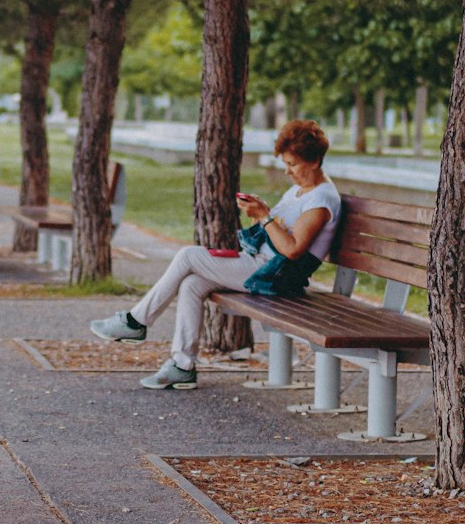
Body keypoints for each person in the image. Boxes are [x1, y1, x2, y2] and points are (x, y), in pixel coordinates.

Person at [89, 119, 341, 390]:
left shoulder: (321, 200)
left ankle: (135, 321)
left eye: (293, 164)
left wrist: (265, 216)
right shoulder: (300, 190)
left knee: (188, 256)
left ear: (314, 162)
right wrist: (261, 211)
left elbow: (292, 250)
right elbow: (276, 230)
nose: (288, 171)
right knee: (192, 284)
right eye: (286, 164)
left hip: (276, 275)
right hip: (261, 265)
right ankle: (182, 366)